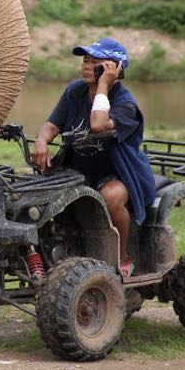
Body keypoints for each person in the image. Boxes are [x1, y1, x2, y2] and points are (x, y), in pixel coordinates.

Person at [31, 37, 155, 279]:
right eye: (85, 61)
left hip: (117, 174)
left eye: (95, 62)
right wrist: (41, 140)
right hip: (77, 172)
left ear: (114, 68)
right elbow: (52, 125)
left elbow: (98, 125)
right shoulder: (74, 91)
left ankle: (121, 255)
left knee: (110, 196)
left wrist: (103, 86)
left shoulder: (125, 105)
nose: (86, 66)